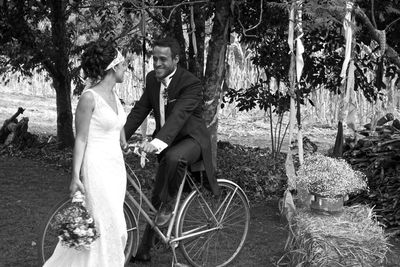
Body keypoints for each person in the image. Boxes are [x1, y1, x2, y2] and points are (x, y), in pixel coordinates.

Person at [124, 37, 220, 262]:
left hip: (191, 139)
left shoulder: (191, 83)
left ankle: (169, 206)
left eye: (163, 59)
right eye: (154, 58)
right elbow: (140, 110)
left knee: (174, 160)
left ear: (175, 59)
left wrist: (156, 143)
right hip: (168, 141)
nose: (157, 63)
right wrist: (119, 136)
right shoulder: (152, 79)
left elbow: (178, 118)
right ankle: (146, 249)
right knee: (157, 193)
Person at [43, 40, 128, 267]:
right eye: (122, 65)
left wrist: (125, 141)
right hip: (97, 166)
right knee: (101, 224)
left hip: (116, 169)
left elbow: (115, 127)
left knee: (117, 226)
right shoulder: (89, 97)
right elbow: (80, 139)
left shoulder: (115, 98)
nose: (125, 69)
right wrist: (75, 177)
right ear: (113, 67)